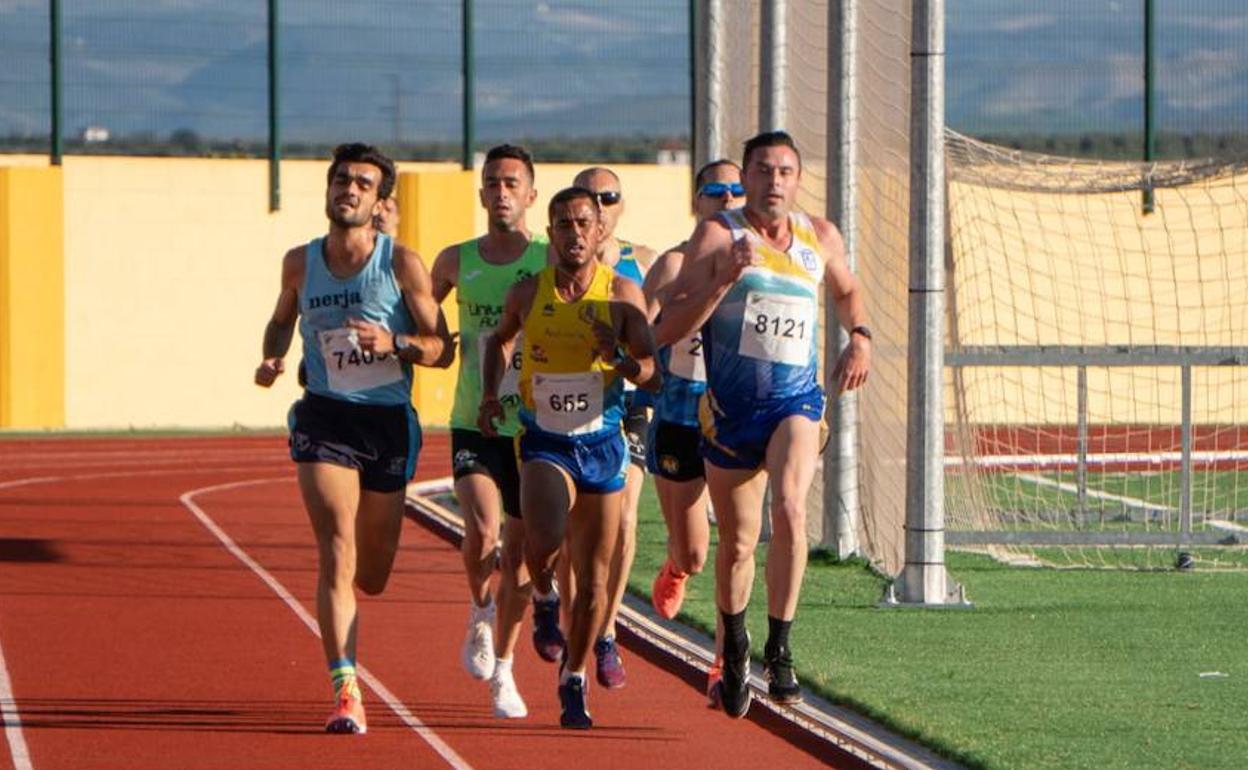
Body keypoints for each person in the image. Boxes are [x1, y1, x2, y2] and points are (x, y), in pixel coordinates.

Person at [657, 131, 871, 719]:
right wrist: (723, 279)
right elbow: (669, 327)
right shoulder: (716, 236)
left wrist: (860, 337)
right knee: (738, 545)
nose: (773, 181)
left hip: (794, 404)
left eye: (785, 171)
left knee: (792, 509)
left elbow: (848, 290)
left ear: (797, 179)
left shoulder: (819, 236)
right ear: (745, 178)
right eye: (762, 170)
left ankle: (780, 647)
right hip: (731, 415)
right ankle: (735, 646)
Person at [254, 143, 453, 735]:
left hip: (386, 424)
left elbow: (442, 349)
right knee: (337, 549)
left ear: (379, 201)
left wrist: (395, 344)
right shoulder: (299, 263)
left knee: (372, 574)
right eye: (342, 179)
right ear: (328, 189)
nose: (349, 189)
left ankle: (350, 647)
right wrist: (272, 356)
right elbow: (282, 319)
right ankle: (347, 689)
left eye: (363, 183)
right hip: (325, 419)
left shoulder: (402, 264)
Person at [479, 186, 659, 729]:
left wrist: (617, 358)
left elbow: (652, 372)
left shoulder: (622, 294)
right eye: (564, 224)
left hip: (601, 444)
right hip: (545, 440)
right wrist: (490, 395)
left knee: (596, 584)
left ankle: (574, 678)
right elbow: (499, 341)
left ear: (600, 231)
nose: (575, 233)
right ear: (550, 233)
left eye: (584, 223)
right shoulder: (527, 292)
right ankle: (543, 593)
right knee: (544, 541)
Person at [430, 144, 548, 719]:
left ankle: (505, 668)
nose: (502, 193)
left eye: (512, 184)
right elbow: (419, 315)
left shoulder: (552, 258)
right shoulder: (455, 261)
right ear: (481, 194)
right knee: (481, 532)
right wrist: (429, 342)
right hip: (473, 419)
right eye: (493, 183)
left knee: (520, 558)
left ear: (531, 194)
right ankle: (480, 612)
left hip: (534, 425)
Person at [642, 159, 744, 706]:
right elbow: (644, 330)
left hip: (737, 416)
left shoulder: (762, 263)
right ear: (696, 201)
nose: (727, 199)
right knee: (698, 555)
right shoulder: (675, 263)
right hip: (681, 414)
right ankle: (676, 563)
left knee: (739, 544)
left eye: (736, 190)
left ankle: (727, 662)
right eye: (715, 191)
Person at [568, 166, 657, 689]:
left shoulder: (641, 262)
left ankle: (606, 631)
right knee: (571, 525)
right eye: (589, 196)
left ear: (621, 205)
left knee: (624, 517)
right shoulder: (553, 261)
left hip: (626, 402)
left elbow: (666, 329)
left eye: (609, 197)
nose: (599, 206)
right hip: (569, 402)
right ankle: (569, 613)